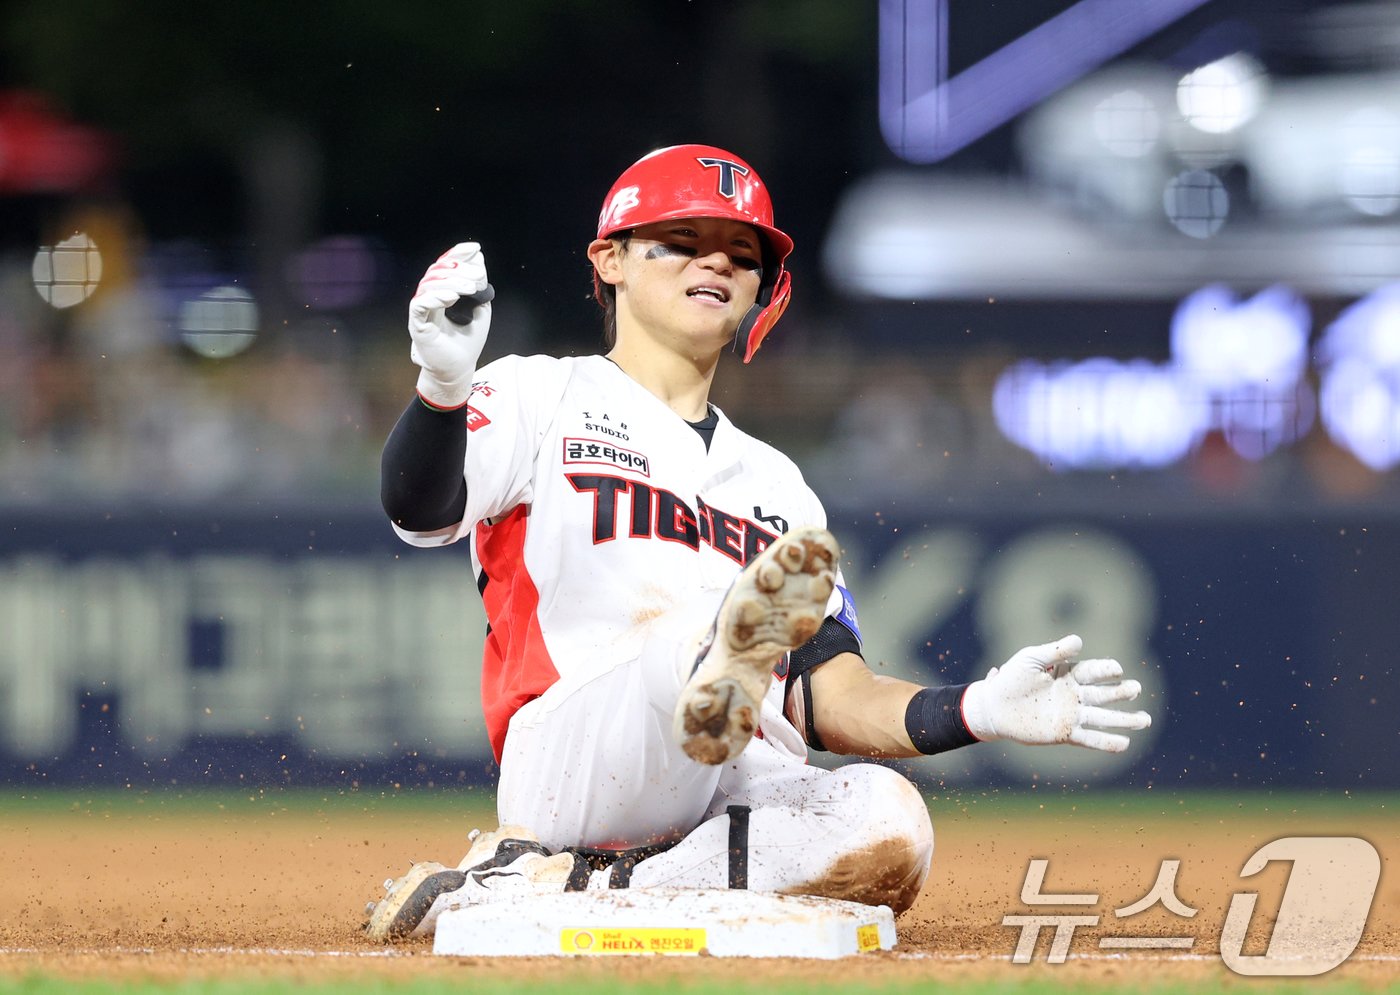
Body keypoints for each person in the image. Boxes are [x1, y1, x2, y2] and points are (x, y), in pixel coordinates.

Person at [366, 145, 1151, 940]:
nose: (716, 261)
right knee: (684, 636)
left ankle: (557, 883)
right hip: (582, 746)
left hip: (734, 779)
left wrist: (976, 708)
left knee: (891, 821)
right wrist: (441, 389)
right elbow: (420, 511)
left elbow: (828, 697)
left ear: (760, 289)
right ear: (610, 260)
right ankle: (624, 797)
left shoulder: (779, 485)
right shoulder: (541, 392)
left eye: (742, 253)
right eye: (681, 240)